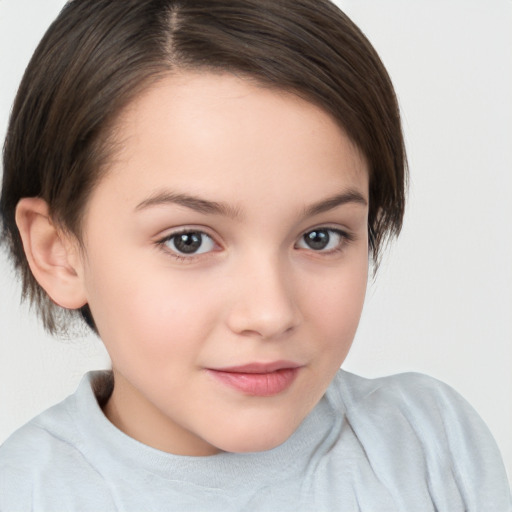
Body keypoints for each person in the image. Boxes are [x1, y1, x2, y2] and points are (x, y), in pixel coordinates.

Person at [0, 0, 510, 510]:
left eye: (320, 237)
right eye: (189, 241)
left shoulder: (428, 444)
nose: (270, 314)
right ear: (59, 252)